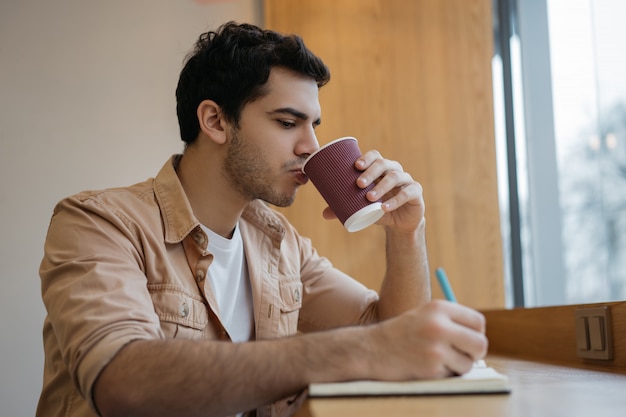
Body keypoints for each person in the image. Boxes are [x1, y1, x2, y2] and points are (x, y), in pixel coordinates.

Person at [37, 21, 488, 417]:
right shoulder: (98, 223)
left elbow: (388, 334)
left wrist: (407, 234)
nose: (310, 146)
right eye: (288, 122)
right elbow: (123, 383)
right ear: (215, 120)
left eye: (314, 125)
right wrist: (363, 350)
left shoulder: (279, 242)